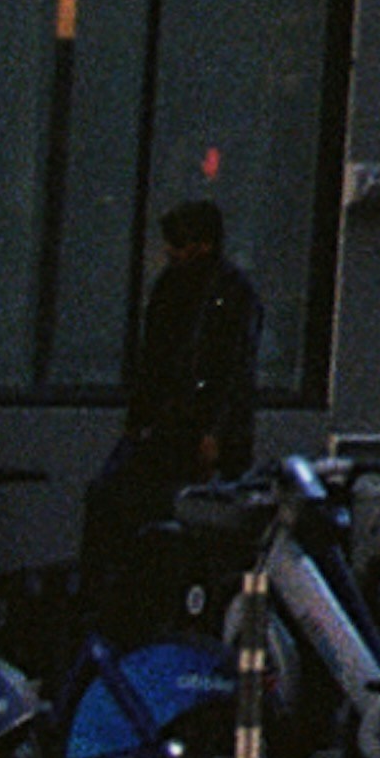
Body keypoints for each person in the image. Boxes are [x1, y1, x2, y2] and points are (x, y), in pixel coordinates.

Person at [83, 198, 265, 618]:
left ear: (202, 245)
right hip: (175, 426)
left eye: (179, 244)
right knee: (133, 505)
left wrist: (212, 432)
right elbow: (158, 362)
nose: (170, 252)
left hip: (190, 428)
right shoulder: (194, 288)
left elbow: (231, 368)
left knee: (165, 513)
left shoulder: (222, 292)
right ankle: (129, 598)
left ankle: (145, 601)